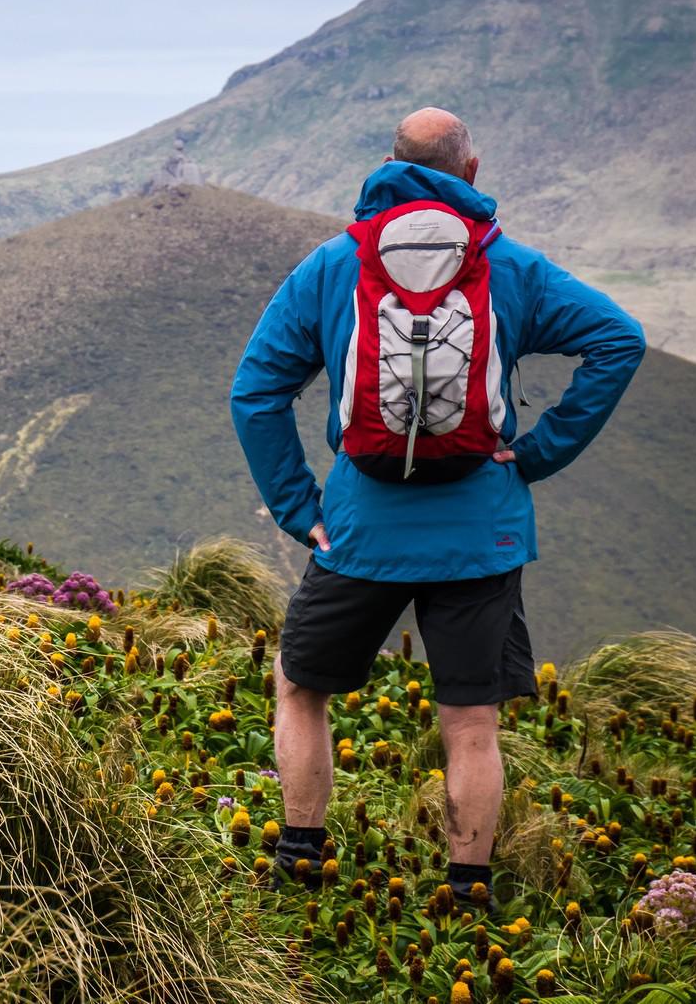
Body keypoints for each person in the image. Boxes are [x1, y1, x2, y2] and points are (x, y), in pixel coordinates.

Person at [230, 107, 644, 902]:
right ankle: (466, 887)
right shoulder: (511, 267)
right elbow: (618, 339)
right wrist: (538, 453)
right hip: (480, 535)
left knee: (299, 685)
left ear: (389, 165)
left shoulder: (333, 266)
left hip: (357, 532)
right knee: (470, 722)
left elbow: (255, 393)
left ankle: (302, 857)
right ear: (472, 170)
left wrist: (297, 505)